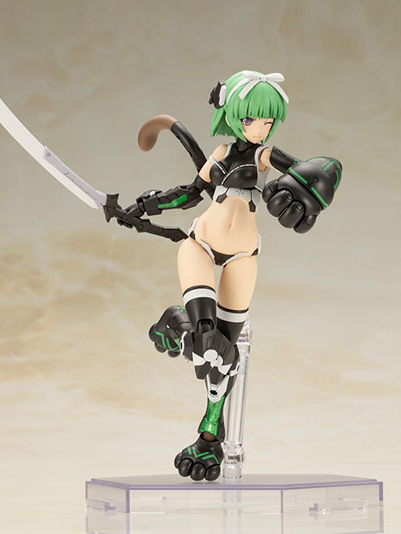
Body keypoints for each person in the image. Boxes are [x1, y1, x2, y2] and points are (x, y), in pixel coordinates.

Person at [124, 70, 342, 481]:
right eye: (253, 119)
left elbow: (302, 168)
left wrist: (321, 180)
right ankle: (185, 328)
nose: (261, 128)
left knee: (220, 357)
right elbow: (191, 193)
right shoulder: (221, 153)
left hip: (243, 254)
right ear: (233, 114)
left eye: (268, 121)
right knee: (208, 340)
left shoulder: (263, 156)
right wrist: (145, 207)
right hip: (201, 244)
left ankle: (208, 439)